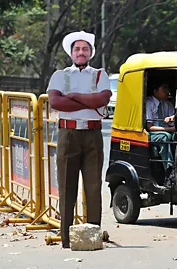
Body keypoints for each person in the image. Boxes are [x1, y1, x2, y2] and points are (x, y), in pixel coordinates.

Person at [47, 31, 112, 248]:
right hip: (68, 135)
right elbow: (56, 102)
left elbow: (103, 98)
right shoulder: (60, 75)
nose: (81, 53)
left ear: (91, 52)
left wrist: (73, 96)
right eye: (77, 49)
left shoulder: (99, 74)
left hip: (93, 134)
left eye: (85, 49)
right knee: (67, 187)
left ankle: (92, 237)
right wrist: (89, 103)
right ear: (71, 52)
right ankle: (66, 239)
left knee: (93, 187)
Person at [145, 83, 175, 177]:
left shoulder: (168, 104)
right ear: (155, 91)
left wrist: (172, 121)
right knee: (165, 137)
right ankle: (168, 169)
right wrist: (168, 129)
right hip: (152, 133)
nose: (167, 92)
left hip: (167, 129)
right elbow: (150, 127)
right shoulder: (149, 103)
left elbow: (172, 122)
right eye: (164, 89)